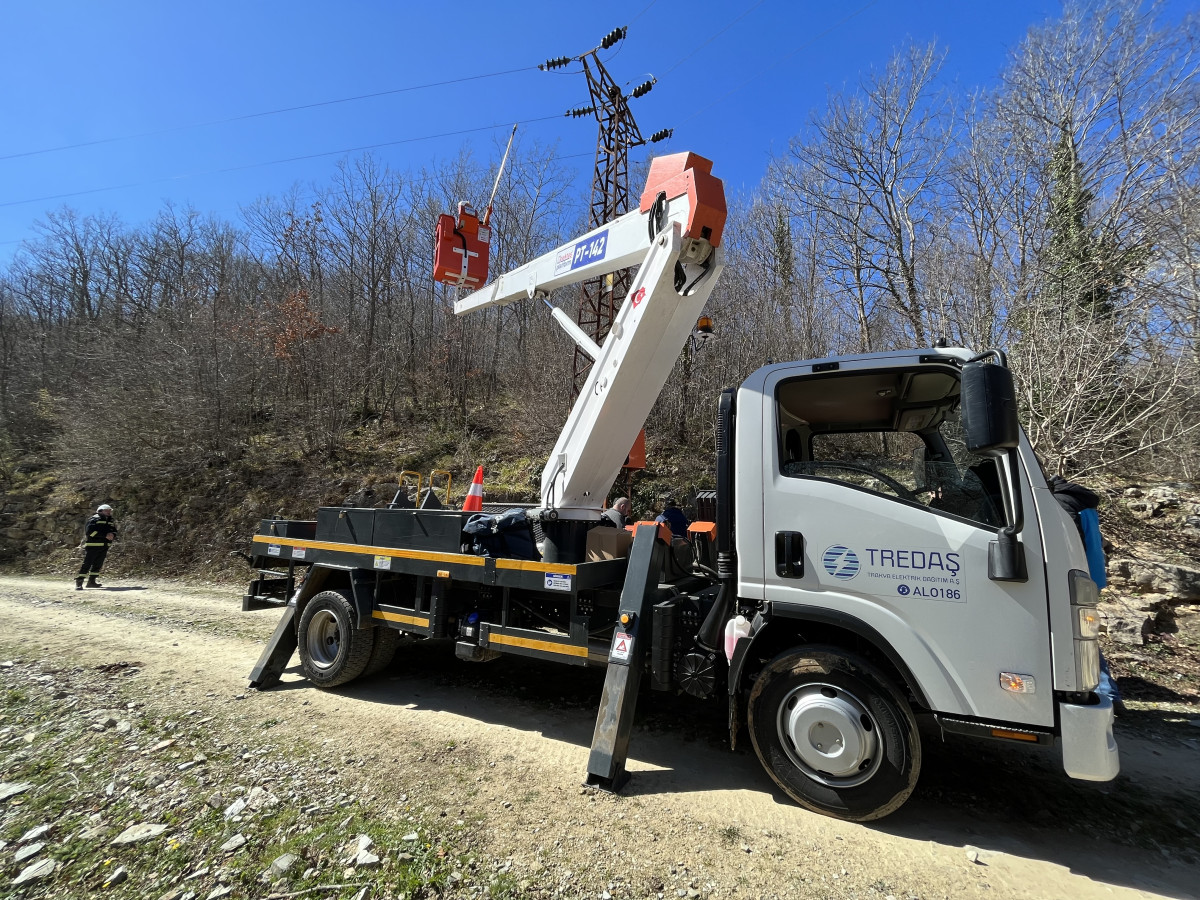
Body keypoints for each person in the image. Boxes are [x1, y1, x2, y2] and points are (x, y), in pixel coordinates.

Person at [1048, 475, 1125, 715]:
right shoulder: (1082, 501)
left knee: (1077, 634)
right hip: (1092, 575)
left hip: (1076, 577)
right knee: (1082, 632)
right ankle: (1107, 692)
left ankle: (1106, 694)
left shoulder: (1060, 501)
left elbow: (1069, 543)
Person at [76, 504, 117, 590]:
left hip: (104, 546)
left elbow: (114, 530)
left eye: (109, 510)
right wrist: (104, 535)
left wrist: (112, 534)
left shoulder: (110, 520)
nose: (109, 512)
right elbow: (90, 532)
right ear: (100, 511)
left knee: (98, 564)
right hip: (93, 546)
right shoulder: (94, 519)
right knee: (87, 564)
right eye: (106, 510)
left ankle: (91, 582)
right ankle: (79, 582)